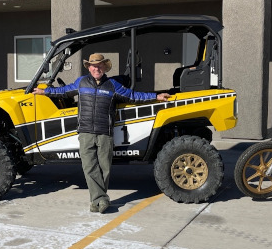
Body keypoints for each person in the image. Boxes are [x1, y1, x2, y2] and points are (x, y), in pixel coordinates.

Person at [33, 53, 170, 213]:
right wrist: (45, 92)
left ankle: (96, 201)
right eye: (93, 65)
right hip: (85, 133)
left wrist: (156, 96)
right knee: (89, 167)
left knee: (105, 168)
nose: (96, 68)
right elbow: (64, 91)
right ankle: (101, 200)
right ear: (89, 68)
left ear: (104, 67)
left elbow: (133, 96)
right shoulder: (81, 82)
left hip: (105, 133)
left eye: (99, 65)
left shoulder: (113, 85)